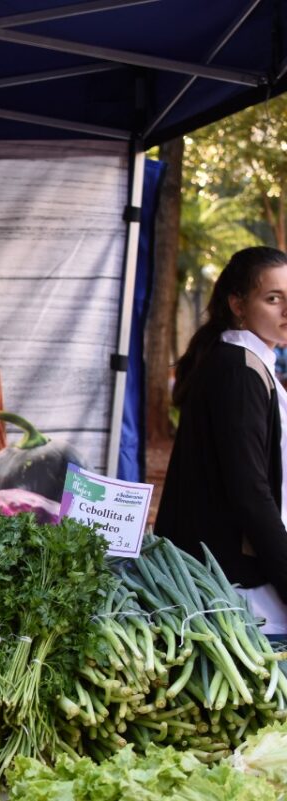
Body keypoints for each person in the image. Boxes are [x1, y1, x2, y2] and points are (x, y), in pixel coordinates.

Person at [156, 246, 287, 637]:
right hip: (234, 586)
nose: (285, 311)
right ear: (238, 304)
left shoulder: (244, 362)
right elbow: (250, 494)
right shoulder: (239, 371)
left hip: (228, 573)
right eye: (273, 298)